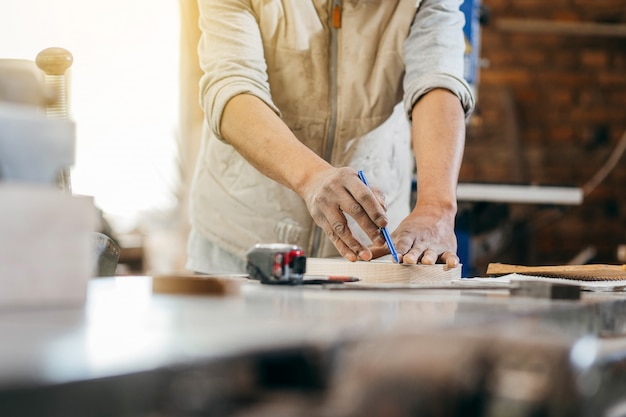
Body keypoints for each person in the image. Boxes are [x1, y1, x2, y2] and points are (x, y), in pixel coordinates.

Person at [187, 0, 475, 274]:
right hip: (240, 239)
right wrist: (312, 177)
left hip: (373, 252)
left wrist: (436, 207)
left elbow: (438, 79)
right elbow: (233, 87)